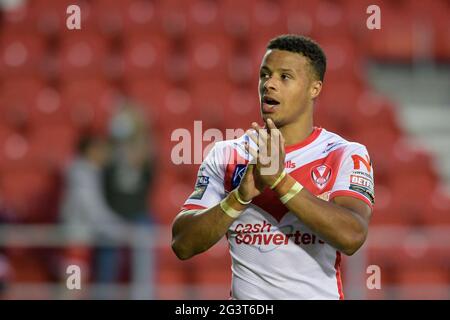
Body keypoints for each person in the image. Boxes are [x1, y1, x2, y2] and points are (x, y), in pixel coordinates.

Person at [171, 35, 375, 300]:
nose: (269, 84)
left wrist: (280, 181)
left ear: (314, 88)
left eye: (284, 77)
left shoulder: (343, 154)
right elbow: (182, 244)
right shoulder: (226, 154)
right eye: (264, 74)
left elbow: (352, 236)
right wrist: (239, 198)